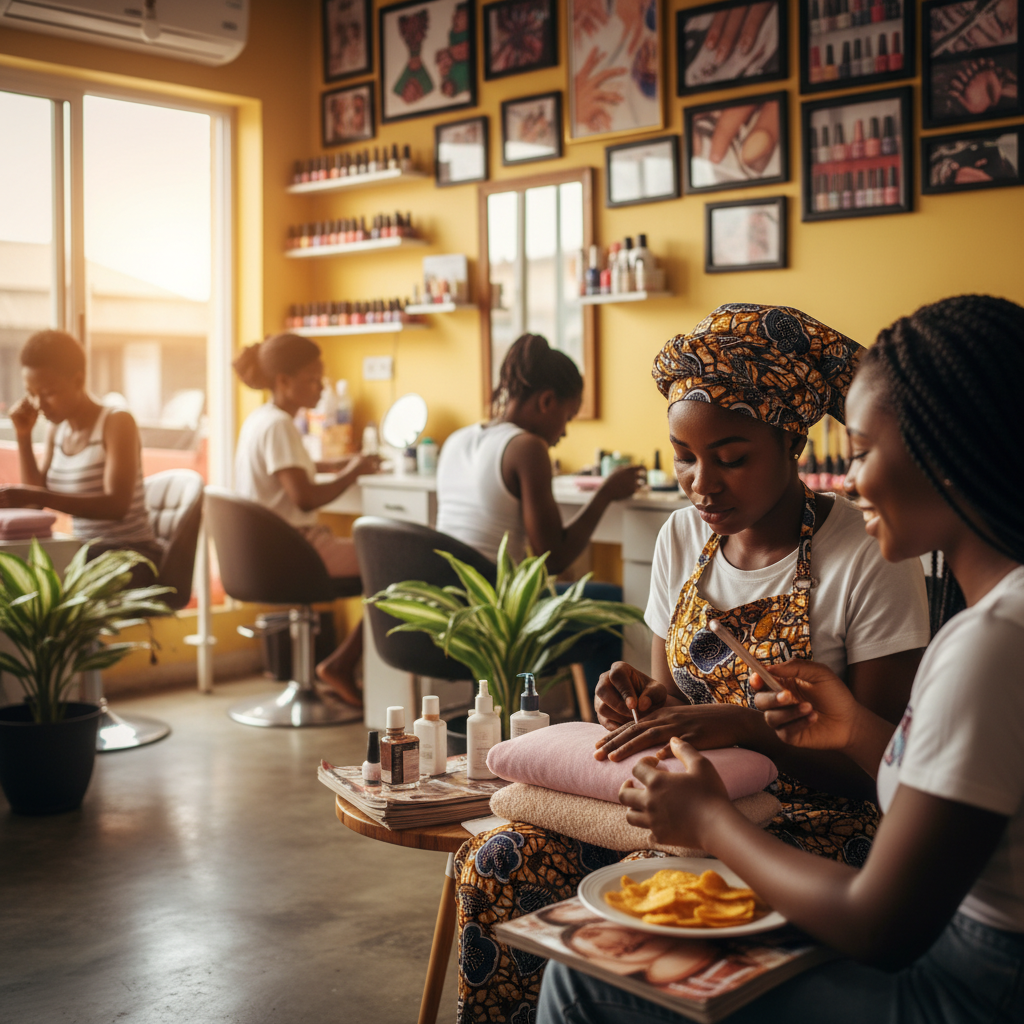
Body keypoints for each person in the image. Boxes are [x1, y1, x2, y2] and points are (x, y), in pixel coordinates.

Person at [538, 294, 1024, 1024]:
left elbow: (880, 928)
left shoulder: (990, 644)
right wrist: (854, 727)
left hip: (960, 990)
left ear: (945, 453)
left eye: (862, 452)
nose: (851, 479)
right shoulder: (1001, 621)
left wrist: (712, 824)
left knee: (586, 976)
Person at [453, 304, 931, 1024]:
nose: (702, 483)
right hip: (692, 805)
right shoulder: (682, 537)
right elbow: (671, 698)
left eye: (732, 457)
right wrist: (642, 701)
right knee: (494, 861)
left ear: (791, 441)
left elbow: (888, 766)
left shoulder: (863, 552)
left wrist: (743, 727)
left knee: (637, 895)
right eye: (684, 455)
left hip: (821, 825)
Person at [435, 332, 643, 695]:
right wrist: (606, 493)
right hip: (499, 613)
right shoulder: (526, 448)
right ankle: (611, 723)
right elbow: (552, 558)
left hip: (450, 600)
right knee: (615, 605)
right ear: (547, 401)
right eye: (568, 416)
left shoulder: (458, 438)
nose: (563, 432)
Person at [233, 333, 379, 707]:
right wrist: (353, 473)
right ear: (283, 381)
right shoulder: (281, 426)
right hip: (297, 553)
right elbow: (305, 495)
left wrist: (339, 464)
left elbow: (294, 467)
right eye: (312, 379)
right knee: (396, 568)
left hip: (264, 554)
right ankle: (341, 665)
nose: (321, 387)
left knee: (386, 562)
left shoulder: (262, 420)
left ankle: (338, 665)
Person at [0, 330, 163, 583]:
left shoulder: (117, 422)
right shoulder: (57, 428)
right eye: (31, 393)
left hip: (130, 555)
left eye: (48, 392)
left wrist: (32, 495)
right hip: (84, 553)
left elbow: (116, 506)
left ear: (78, 381)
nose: (39, 403)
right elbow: (34, 503)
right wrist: (23, 436)